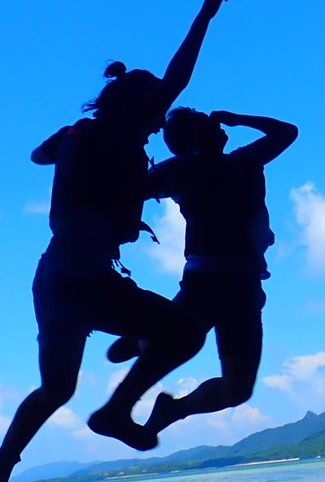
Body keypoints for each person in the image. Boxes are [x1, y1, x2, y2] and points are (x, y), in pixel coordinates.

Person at [0, 0, 229, 482]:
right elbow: (178, 78)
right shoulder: (114, 136)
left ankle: (0, 465)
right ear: (137, 107)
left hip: (54, 279)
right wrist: (203, 15)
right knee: (184, 334)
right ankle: (119, 401)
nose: (161, 121)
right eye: (154, 111)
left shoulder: (80, 135)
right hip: (87, 280)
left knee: (57, 388)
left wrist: (69, 150)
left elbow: (37, 156)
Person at [109, 106, 297, 439]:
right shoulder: (202, 167)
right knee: (225, 378)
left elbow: (287, 132)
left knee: (238, 390)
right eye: (207, 122)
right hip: (210, 282)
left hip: (241, 284)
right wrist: (239, 118)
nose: (217, 124)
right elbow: (285, 132)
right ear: (198, 136)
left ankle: (169, 397)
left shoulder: (240, 161)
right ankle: (144, 339)